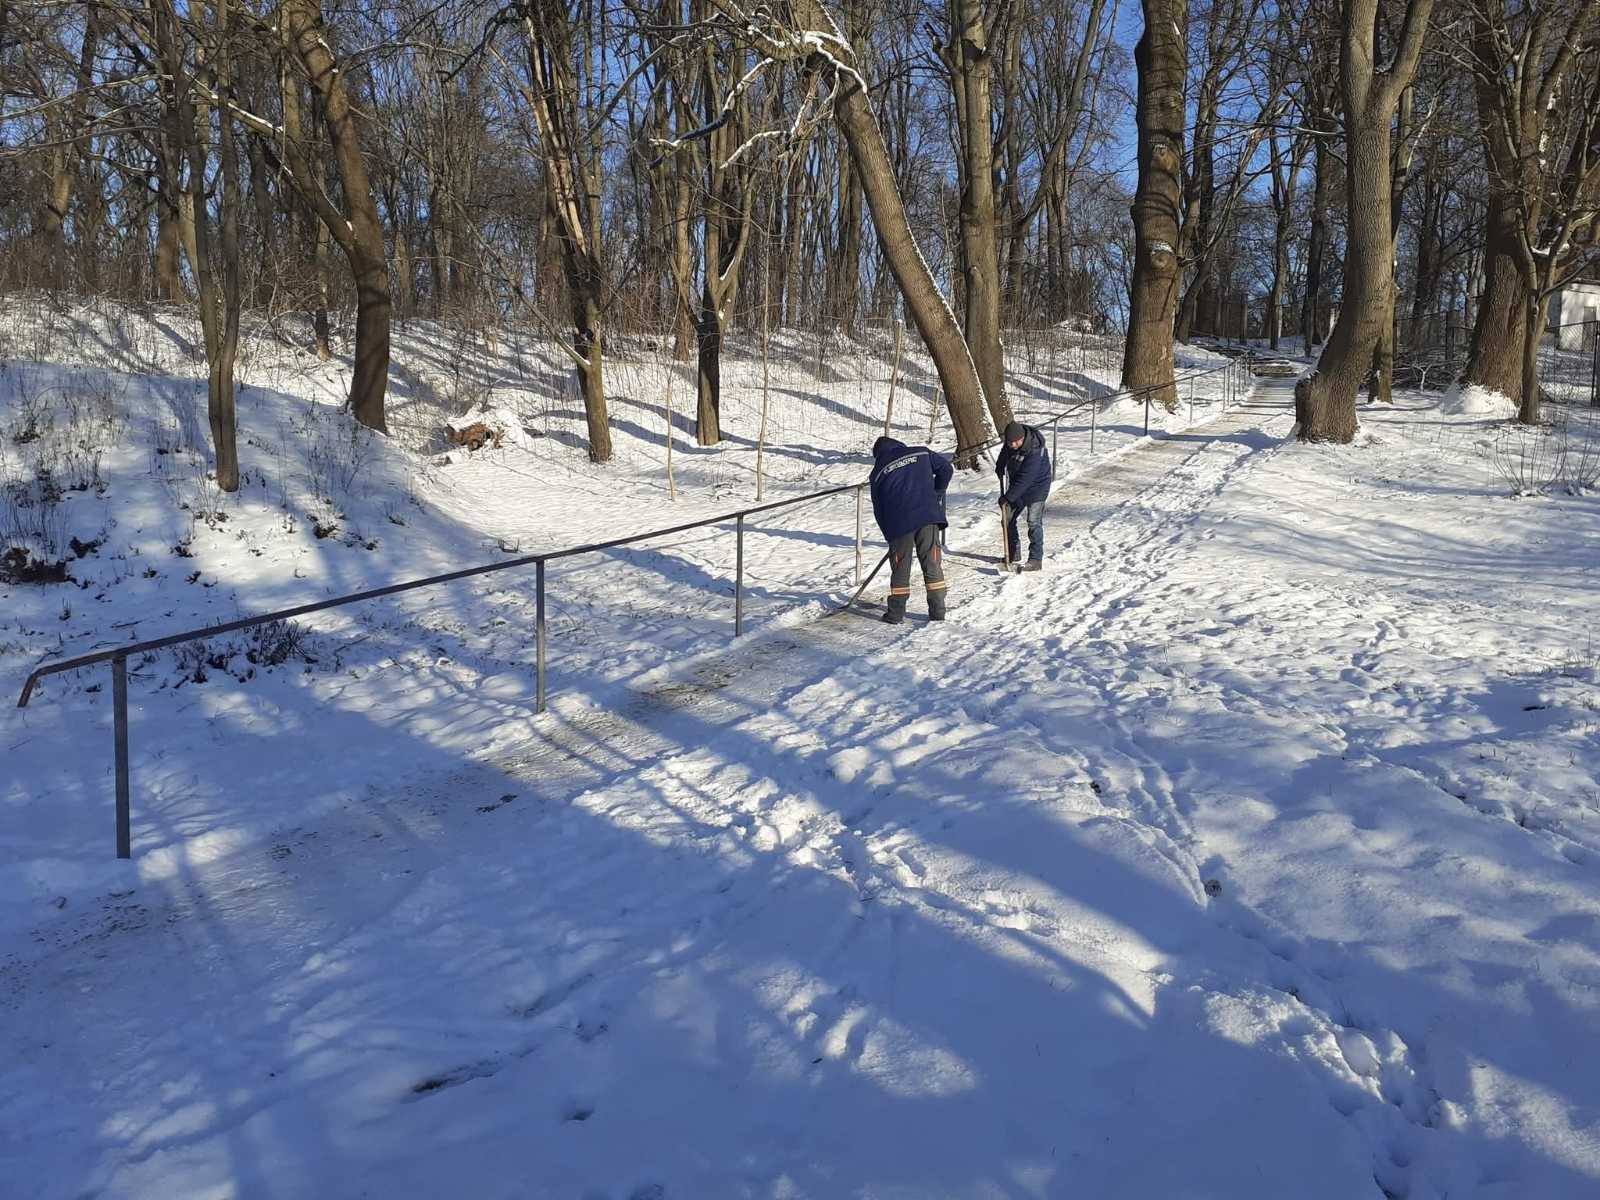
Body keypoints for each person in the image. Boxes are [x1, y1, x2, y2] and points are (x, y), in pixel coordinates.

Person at [869, 436, 952, 624]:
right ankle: (938, 611)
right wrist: (936, 494)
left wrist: (888, 534)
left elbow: (878, 509)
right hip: (927, 516)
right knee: (932, 561)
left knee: (900, 567)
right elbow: (946, 469)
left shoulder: (877, 472)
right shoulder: (921, 452)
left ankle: (896, 614)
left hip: (898, 524)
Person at [995, 419, 1050, 571]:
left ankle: (1035, 559)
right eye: (1009, 442)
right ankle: (1013, 553)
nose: (1012, 446)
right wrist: (1000, 466)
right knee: (1007, 518)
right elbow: (1005, 452)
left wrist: (1007, 497)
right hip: (1018, 485)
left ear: (1022, 439)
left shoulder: (1035, 448)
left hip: (1038, 487)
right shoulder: (1011, 442)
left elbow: (1027, 478)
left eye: (1014, 443)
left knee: (1033, 521)